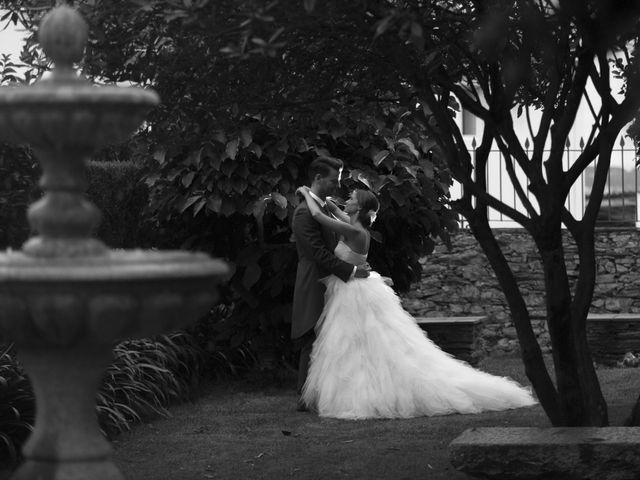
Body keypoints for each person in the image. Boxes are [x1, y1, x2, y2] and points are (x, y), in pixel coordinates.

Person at [296, 185, 537, 419]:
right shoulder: (353, 225)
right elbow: (333, 209)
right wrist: (320, 196)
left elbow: (318, 215)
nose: (345, 200)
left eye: (351, 199)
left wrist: (306, 193)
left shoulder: (355, 231)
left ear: (358, 209)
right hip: (351, 288)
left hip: (353, 293)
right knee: (354, 344)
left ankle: (364, 393)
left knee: (356, 343)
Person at [291, 156, 369, 412]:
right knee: (311, 338)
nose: (336, 185)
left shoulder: (323, 207)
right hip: (314, 282)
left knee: (327, 340)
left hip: (331, 282)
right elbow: (317, 254)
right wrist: (352, 270)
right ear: (317, 178)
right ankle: (306, 397)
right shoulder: (305, 212)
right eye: (333, 180)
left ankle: (320, 395)